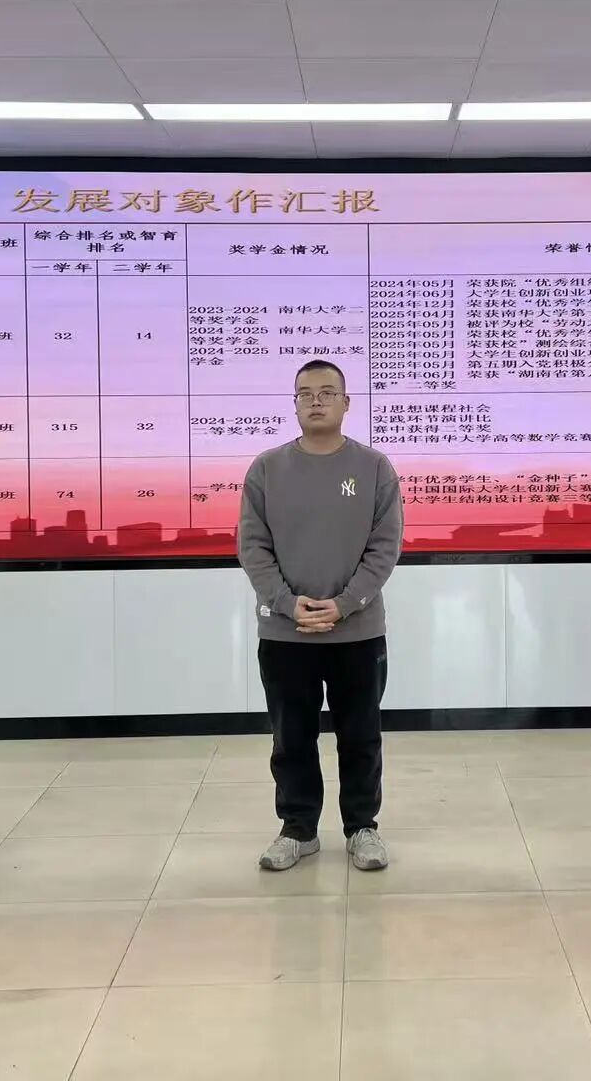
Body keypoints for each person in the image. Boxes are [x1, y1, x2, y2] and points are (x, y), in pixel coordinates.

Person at [238, 359, 403, 873]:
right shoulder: (267, 469)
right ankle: (298, 829)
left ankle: (362, 828)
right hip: (285, 633)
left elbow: (385, 547)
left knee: (361, 736)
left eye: (327, 392)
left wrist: (345, 603)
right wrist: (288, 604)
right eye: (305, 393)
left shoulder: (374, 468)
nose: (316, 401)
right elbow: (252, 546)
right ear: (294, 404)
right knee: (291, 738)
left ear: (346, 403)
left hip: (358, 632)